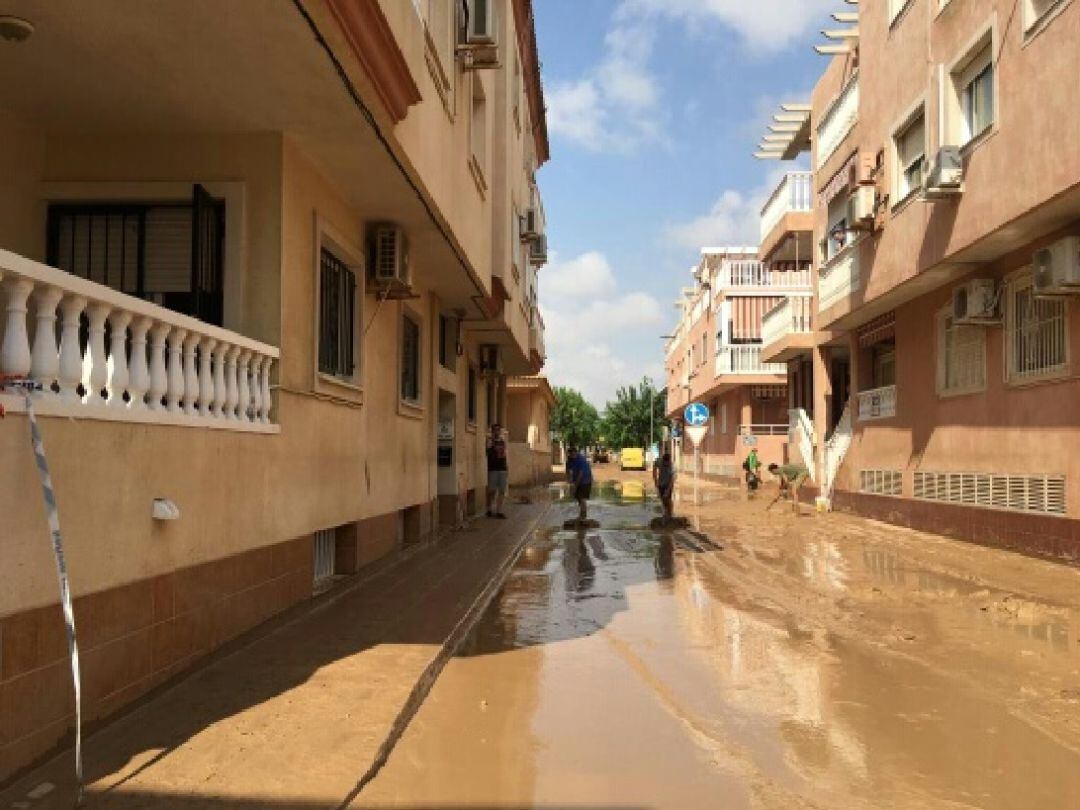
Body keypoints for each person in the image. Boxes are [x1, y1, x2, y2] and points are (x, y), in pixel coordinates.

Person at [486, 423, 509, 518]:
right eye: (495, 430)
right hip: (493, 469)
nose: (497, 432)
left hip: (502, 469)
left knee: (502, 491)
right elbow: (487, 453)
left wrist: (507, 467)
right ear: (492, 431)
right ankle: (489, 509)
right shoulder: (490, 441)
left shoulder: (503, 442)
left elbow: (505, 455)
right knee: (492, 490)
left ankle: (499, 511)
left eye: (498, 430)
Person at [566, 446, 593, 523]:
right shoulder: (570, 460)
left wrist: (575, 485)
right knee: (578, 497)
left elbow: (581, 474)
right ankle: (581, 515)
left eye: (573, 454)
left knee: (582, 498)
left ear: (576, 453)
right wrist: (569, 481)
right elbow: (568, 470)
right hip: (577, 480)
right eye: (570, 454)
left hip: (585, 480)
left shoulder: (581, 460)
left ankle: (583, 516)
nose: (571, 455)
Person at [652, 451, 676, 522]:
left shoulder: (673, 466)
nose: (666, 465)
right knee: (662, 498)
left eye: (667, 464)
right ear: (663, 460)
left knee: (668, 498)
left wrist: (668, 490)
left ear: (669, 461)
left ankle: (670, 514)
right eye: (664, 464)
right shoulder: (659, 461)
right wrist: (655, 481)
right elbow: (654, 469)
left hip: (668, 484)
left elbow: (672, 481)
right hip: (661, 483)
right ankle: (665, 512)